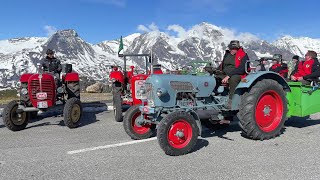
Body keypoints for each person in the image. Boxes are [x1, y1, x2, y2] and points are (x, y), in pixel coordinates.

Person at [218, 40, 249, 107]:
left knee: (233, 79)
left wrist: (229, 76)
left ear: (237, 48)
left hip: (238, 74)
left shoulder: (243, 55)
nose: (231, 50)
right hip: (225, 73)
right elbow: (222, 64)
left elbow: (242, 69)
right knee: (214, 77)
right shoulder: (227, 54)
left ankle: (231, 100)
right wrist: (216, 70)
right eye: (230, 48)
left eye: (233, 48)